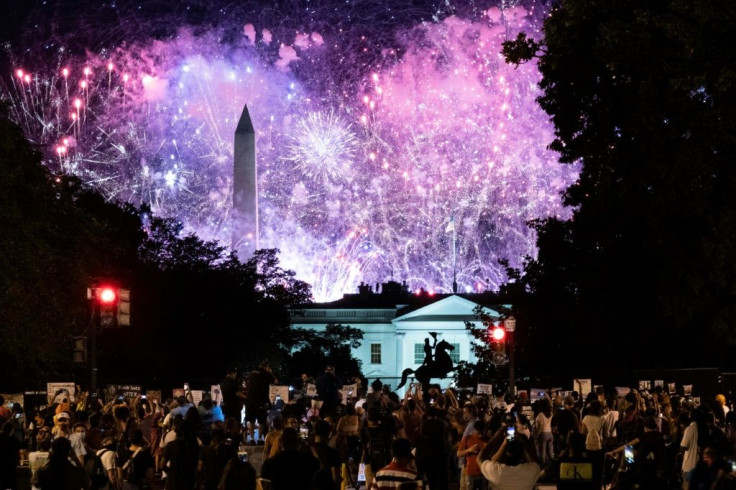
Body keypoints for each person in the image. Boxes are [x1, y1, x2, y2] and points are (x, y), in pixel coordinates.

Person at [245, 360, 276, 445]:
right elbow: (275, 381)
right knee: (261, 421)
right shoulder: (266, 373)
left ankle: (251, 439)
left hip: (250, 400)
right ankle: (259, 439)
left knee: (251, 420)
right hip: (261, 400)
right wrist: (270, 372)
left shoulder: (252, 373)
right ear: (266, 367)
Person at [311, 420, 342, 490]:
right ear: (328, 433)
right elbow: (336, 478)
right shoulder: (333, 453)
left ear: (314, 432)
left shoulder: (307, 451)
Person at [0, 421, 20, 490]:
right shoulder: (12, 439)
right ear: (11, 430)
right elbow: (20, 447)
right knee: (12, 485)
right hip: (10, 465)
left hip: (1, 465)